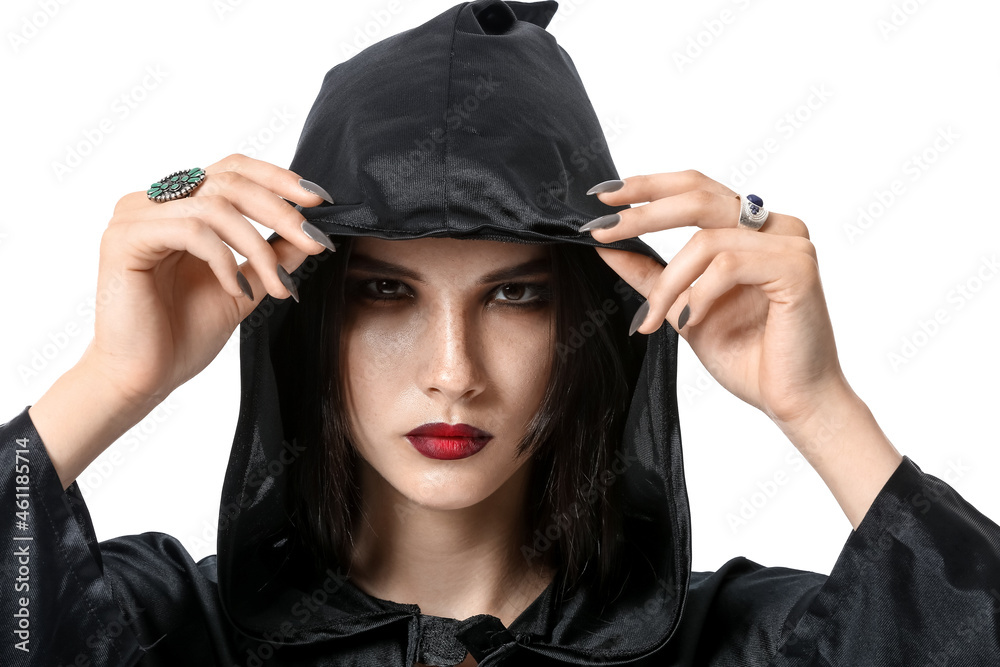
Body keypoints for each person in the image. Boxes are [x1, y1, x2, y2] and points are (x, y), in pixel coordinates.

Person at [3, 1, 1000, 665]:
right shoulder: (166, 632)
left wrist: (819, 406)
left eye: (515, 297)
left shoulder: (737, 643)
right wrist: (109, 382)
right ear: (302, 317)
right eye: (384, 294)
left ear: (593, 324)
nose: (452, 374)